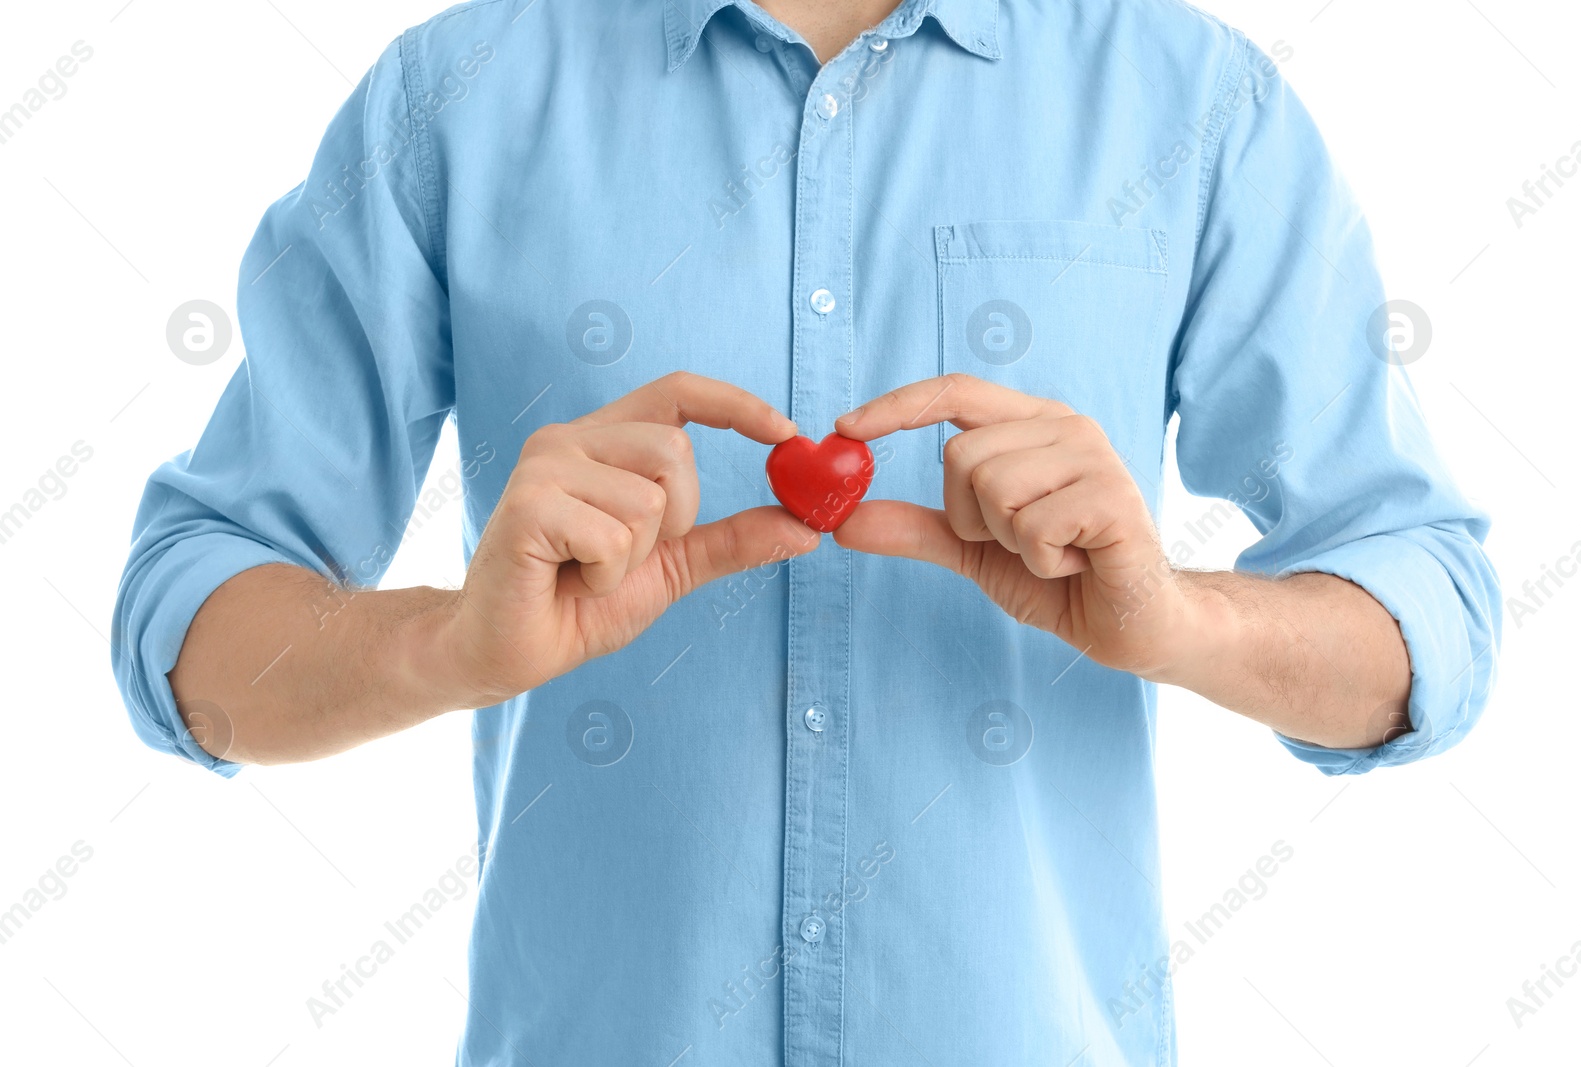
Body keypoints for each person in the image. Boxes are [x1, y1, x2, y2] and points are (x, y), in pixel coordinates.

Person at [112, 0, 1500, 1062]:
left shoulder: (1196, 104)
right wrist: (448, 644)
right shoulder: (456, 96)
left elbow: (1427, 619)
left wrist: (1185, 621)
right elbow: (190, 624)